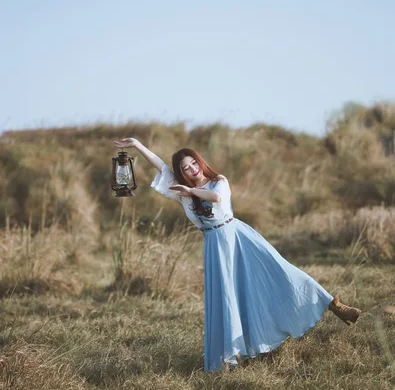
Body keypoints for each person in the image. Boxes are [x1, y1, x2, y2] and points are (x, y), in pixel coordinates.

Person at [113, 137, 362, 373]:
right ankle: (233, 355)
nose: (191, 170)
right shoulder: (183, 192)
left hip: (238, 237)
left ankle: (333, 304)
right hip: (214, 245)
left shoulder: (218, 180)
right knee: (227, 297)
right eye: (185, 168)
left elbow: (217, 197)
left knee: (280, 271)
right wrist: (137, 145)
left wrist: (191, 192)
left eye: (193, 164)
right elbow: (162, 166)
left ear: (200, 163)